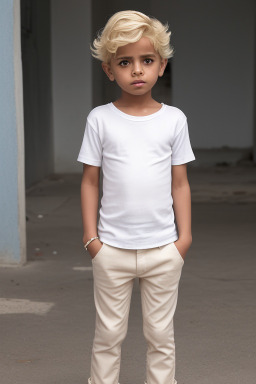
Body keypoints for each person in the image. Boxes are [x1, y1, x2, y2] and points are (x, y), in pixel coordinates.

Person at [77, 10, 195, 384]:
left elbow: (180, 183)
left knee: (160, 335)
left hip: (163, 249)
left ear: (162, 65)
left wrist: (184, 239)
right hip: (111, 248)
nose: (137, 70)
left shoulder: (174, 119)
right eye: (125, 62)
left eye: (147, 60)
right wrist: (91, 239)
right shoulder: (100, 119)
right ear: (110, 70)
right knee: (109, 334)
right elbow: (90, 181)